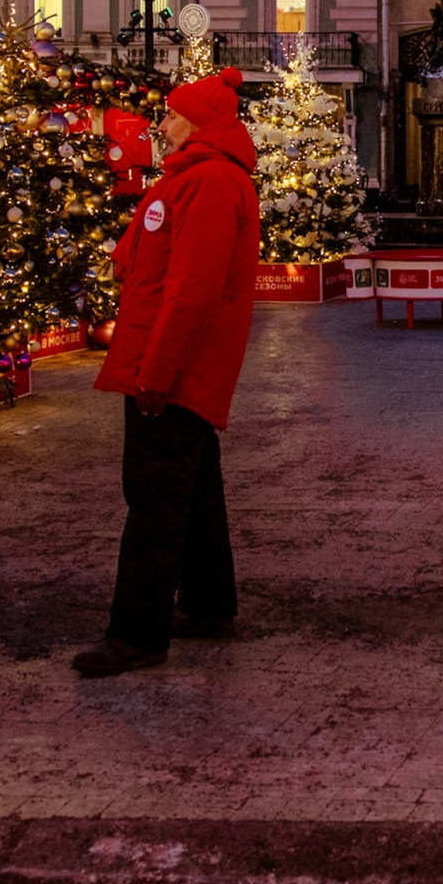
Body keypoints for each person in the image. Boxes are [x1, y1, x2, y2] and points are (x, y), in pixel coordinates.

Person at [74, 67, 259, 678]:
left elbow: (191, 291)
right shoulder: (197, 178)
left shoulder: (206, 182)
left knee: (154, 497)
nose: (164, 123)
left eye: (174, 114)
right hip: (178, 366)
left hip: (173, 368)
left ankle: (136, 631)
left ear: (201, 123)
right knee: (193, 487)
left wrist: (155, 373)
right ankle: (208, 604)